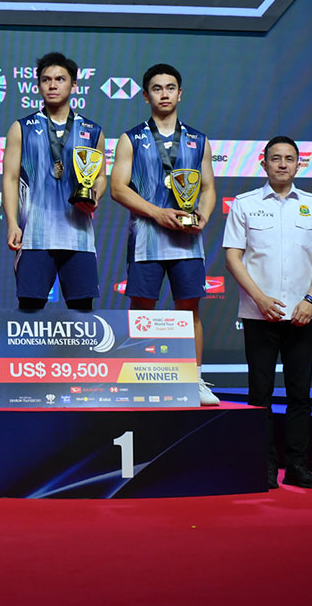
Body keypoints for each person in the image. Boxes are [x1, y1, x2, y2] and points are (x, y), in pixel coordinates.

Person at [223, 136, 312, 489]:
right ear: (264, 163)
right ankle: (264, 465)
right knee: (260, 395)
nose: (282, 164)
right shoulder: (245, 204)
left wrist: (311, 300)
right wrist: (260, 299)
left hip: (302, 315)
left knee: (300, 395)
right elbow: (233, 257)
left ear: (299, 164)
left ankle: (298, 465)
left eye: (289, 158)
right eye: (276, 158)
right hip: (259, 316)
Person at [109, 63, 219, 406]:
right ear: (146, 96)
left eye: (170, 87)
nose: (164, 94)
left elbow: (208, 188)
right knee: (143, 310)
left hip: (188, 242)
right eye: (157, 88)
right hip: (147, 239)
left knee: (189, 310)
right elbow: (117, 188)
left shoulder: (198, 140)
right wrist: (158, 213)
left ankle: (194, 380)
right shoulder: (131, 139)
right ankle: (138, 380)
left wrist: (204, 215)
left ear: (180, 93)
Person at [2, 52, 106, 311]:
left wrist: (94, 196)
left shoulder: (92, 130)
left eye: (60, 79)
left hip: (78, 236)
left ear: (74, 85)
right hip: (34, 236)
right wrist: (13, 223)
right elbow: (10, 178)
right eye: (46, 79)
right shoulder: (22, 127)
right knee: (29, 308)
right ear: (38, 86)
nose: (52, 85)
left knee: (82, 311)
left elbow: (101, 177)